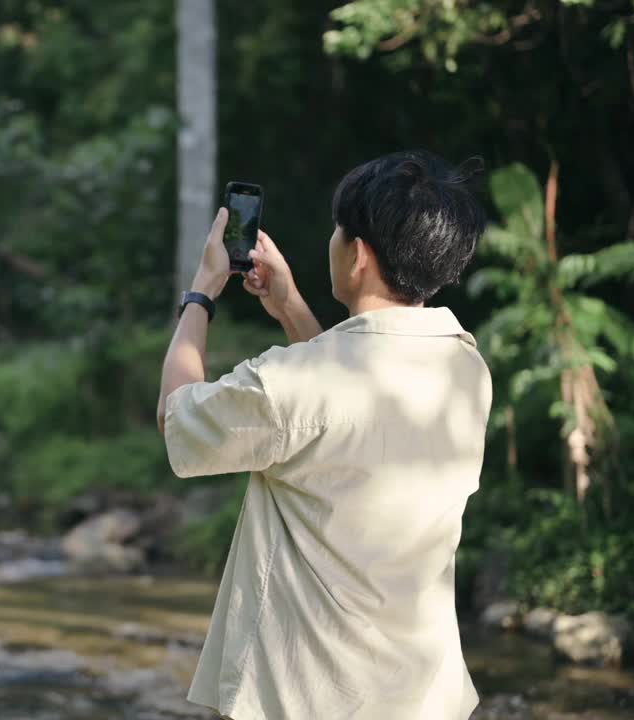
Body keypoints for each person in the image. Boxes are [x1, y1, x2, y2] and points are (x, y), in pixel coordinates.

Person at [157, 151, 491, 720]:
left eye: (339, 231)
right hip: (424, 697)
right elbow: (348, 397)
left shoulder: (289, 384)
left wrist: (201, 292)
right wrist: (288, 304)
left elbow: (176, 418)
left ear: (357, 253)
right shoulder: (465, 371)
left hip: (309, 697)